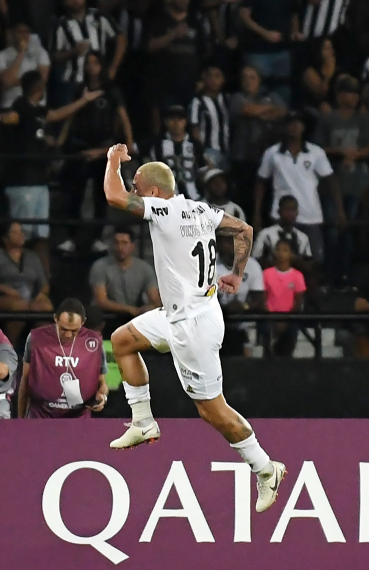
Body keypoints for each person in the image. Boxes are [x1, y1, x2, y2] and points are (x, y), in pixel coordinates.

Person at [103, 143, 286, 513]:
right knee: (122, 340)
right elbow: (244, 229)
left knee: (212, 411)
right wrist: (236, 273)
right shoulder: (200, 209)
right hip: (184, 311)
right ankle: (143, 422)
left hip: (192, 327)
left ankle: (266, 469)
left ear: (154, 192)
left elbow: (114, 195)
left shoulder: (165, 210)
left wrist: (112, 160)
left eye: (140, 187)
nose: (137, 193)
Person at [0, 72, 102, 255]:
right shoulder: (20, 106)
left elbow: (58, 114)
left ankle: (43, 278)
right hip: (22, 181)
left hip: (40, 179)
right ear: (39, 88)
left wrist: (84, 100)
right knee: (22, 235)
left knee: (42, 234)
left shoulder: (39, 110)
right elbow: (12, 117)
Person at [60, 50, 135, 254]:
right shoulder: (79, 90)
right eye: (88, 63)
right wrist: (61, 142)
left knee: (101, 196)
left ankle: (99, 237)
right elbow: (70, 116)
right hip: (80, 147)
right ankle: (71, 237)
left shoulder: (111, 91)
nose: (91, 67)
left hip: (104, 148)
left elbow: (123, 117)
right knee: (74, 193)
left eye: (95, 63)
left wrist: (129, 143)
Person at [254, 112, 345, 267]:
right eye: (291, 123)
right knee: (280, 261)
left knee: (314, 262)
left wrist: (340, 210)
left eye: (298, 123)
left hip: (311, 214)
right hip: (280, 215)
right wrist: (257, 213)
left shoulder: (316, 152)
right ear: (285, 127)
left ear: (304, 127)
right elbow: (261, 182)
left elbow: (331, 181)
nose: (295, 127)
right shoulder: (272, 153)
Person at [314, 74, 369, 285]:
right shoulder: (329, 118)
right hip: (332, 180)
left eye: (356, 93)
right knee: (332, 228)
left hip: (355, 181)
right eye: (349, 92)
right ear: (339, 95)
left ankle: (344, 275)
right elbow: (318, 147)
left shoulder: (363, 118)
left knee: (349, 229)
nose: (354, 97)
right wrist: (341, 152)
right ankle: (329, 273)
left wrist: (355, 154)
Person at [17, 298, 108, 419]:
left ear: (83, 322)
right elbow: (25, 381)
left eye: (74, 330)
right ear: (55, 318)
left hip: (79, 419)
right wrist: (20, 419)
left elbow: (102, 382)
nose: (68, 335)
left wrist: (103, 396)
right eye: (63, 329)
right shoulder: (36, 338)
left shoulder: (95, 342)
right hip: (41, 417)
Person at [228, 66, 288, 217]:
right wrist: (267, 109)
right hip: (243, 158)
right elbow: (247, 110)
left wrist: (259, 111)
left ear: (259, 79)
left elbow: (282, 112)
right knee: (244, 202)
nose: (248, 81)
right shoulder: (236, 98)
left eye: (252, 77)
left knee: (267, 201)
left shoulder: (271, 95)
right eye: (245, 78)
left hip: (266, 157)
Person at [0, 222, 52, 343]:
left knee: (45, 307)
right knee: (19, 306)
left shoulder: (33, 257)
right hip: (2, 297)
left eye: (21, 232)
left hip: (29, 297)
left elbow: (44, 284)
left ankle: (42, 351)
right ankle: (9, 346)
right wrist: (5, 289)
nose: (21, 235)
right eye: (15, 232)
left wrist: (41, 295)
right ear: (5, 238)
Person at [144, 0, 202, 134]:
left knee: (189, 124)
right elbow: (150, 46)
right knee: (164, 126)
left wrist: (200, 78)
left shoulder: (194, 22)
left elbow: (202, 51)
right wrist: (173, 34)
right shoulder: (160, 20)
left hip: (190, 84)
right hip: (165, 84)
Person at [49, 0, 121, 105]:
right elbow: (54, 56)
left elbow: (121, 38)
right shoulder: (60, 24)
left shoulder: (99, 16)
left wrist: (113, 67)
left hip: (100, 80)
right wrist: (72, 52)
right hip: (74, 82)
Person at [238, 0, 301, 104]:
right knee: (257, 90)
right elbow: (244, 15)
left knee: (283, 89)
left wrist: (295, 32)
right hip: (258, 50)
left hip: (283, 49)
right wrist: (265, 33)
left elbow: (294, 13)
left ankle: (282, 117)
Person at [89, 227, 160, 319]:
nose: (120, 247)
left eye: (124, 243)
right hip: (105, 317)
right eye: (116, 243)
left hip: (133, 318)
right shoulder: (100, 266)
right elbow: (101, 301)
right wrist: (130, 309)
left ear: (133, 246)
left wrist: (149, 307)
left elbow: (155, 299)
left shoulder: (145, 268)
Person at [214, 235, 264, 356]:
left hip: (244, 323)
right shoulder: (208, 264)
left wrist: (244, 306)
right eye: (227, 241)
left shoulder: (252, 265)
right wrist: (225, 309)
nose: (232, 245)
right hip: (216, 323)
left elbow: (259, 299)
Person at [146, 105, 206, 200]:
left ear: (185, 122)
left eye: (180, 119)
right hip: (168, 199)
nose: (176, 123)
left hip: (195, 197)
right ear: (166, 122)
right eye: (172, 119)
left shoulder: (195, 145)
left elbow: (203, 172)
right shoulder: (157, 145)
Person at [262, 239, 305, 357]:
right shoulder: (266, 273)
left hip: (289, 318)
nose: (281, 253)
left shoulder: (297, 275)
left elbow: (298, 301)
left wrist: (285, 319)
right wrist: (273, 318)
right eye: (278, 250)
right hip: (269, 317)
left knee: (291, 331)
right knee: (265, 328)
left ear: (291, 254)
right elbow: (263, 299)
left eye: (285, 250)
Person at [0, 21, 50, 111]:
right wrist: (21, 52)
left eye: (27, 32)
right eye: (20, 32)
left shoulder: (40, 53)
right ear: (13, 34)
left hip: (35, 104)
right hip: (10, 104)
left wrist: (16, 81)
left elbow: (41, 79)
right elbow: (6, 81)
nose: (23, 35)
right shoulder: (2, 55)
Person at [252, 195, 314, 272]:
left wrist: (294, 260)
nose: (290, 213)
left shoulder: (303, 237)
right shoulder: (266, 234)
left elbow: (308, 264)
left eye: (293, 210)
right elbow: (255, 261)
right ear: (279, 211)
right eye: (287, 209)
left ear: (297, 213)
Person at [188, 63, 231, 169]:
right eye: (210, 76)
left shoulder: (227, 100)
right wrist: (202, 156)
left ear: (223, 79)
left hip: (227, 152)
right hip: (209, 152)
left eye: (217, 76)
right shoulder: (198, 102)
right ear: (204, 78)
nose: (213, 80)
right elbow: (195, 132)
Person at [301, 37, 338, 117]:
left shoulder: (337, 69)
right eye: (327, 49)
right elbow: (322, 92)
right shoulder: (309, 71)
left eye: (331, 48)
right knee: (325, 107)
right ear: (319, 51)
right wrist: (329, 75)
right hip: (314, 108)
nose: (331, 52)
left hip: (334, 105)